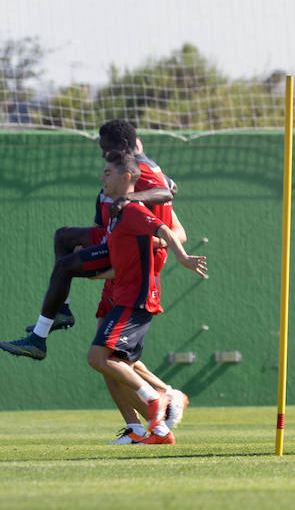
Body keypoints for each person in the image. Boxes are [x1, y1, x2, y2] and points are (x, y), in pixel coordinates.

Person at [0, 121, 172, 360]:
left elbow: (166, 192)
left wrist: (129, 199)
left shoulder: (140, 169)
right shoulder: (135, 169)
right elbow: (170, 186)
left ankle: (38, 339)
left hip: (132, 249)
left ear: (123, 145)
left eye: (106, 148)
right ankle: (63, 310)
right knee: (63, 236)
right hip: (115, 237)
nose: (102, 154)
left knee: (65, 268)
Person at [86, 150, 206, 445]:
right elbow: (123, 261)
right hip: (123, 295)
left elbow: (165, 229)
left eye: (108, 172)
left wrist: (182, 258)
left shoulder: (132, 210)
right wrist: (89, 272)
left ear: (126, 177)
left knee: (98, 357)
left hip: (135, 299)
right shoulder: (114, 213)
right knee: (114, 364)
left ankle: (157, 399)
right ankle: (159, 432)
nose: (102, 177)